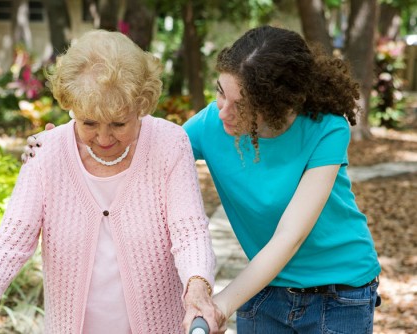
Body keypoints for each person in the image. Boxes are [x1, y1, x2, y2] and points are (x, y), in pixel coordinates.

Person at [23, 25, 382, 333]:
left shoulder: (326, 130)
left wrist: (219, 304)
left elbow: (290, 236)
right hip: (264, 287)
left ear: (276, 105)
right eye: (220, 93)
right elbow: (151, 151)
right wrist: (65, 149)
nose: (223, 110)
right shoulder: (213, 123)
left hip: (340, 292)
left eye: (240, 105)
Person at [0, 29, 226, 334]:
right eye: (88, 122)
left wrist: (197, 288)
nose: (103, 138)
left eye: (118, 123)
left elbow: (189, 231)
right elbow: (12, 238)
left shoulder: (169, 143)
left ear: (141, 105)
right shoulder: (46, 153)